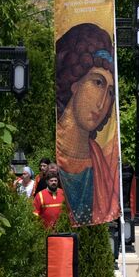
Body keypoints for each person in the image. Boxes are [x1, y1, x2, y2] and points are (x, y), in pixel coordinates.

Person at [55, 22, 120, 225]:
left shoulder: (100, 164)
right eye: (97, 82)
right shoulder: (54, 149)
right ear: (74, 83)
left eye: (110, 92)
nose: (102, 103)